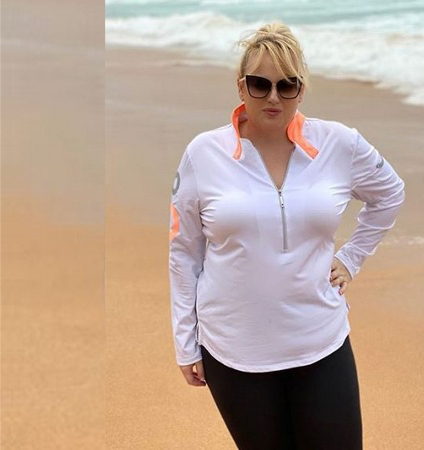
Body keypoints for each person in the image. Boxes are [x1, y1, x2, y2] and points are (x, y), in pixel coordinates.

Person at [168, 22, 405, 450]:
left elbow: (389, 193)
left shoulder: (339, 143)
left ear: (301, 90)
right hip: (235, 351)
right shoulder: (203, 153)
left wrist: (351, 258)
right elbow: (184, 253)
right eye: (260, 84)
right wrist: (186, 342)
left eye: (287, 85)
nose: (273, 97)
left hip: (320, 342)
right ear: (241, 88)